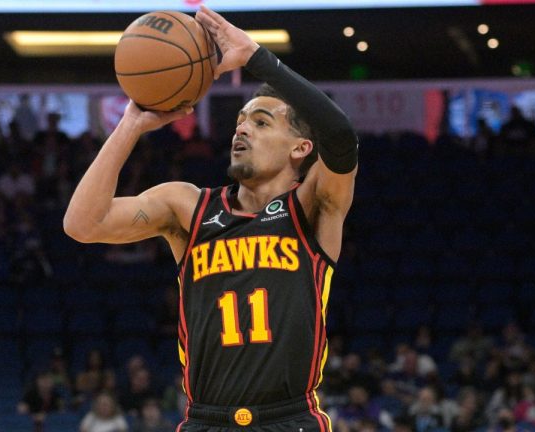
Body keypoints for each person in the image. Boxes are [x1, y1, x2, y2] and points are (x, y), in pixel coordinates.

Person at [64, 5, 357, 431]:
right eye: (240, 121)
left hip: (290, 418)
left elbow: (341, 138)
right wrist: (131, 125)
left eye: (261, 122)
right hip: (206, 420)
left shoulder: (313, 206)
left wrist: (256, 57)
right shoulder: (188, 207)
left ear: (300, 148)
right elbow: (82, 224)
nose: (242, 129)